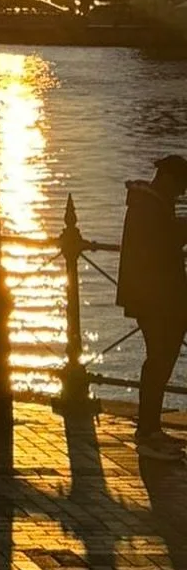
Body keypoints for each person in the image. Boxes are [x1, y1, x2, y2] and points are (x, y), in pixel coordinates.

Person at [117, 153, 187, 462]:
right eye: (182, 185)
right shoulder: (150, 206)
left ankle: (150, 427)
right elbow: (163, 243)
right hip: (156, 299)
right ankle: (147, 430)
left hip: (157, 297)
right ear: (169, 179)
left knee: (160, 360)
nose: (183, 192)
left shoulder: (151, 203)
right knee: (159, 360)